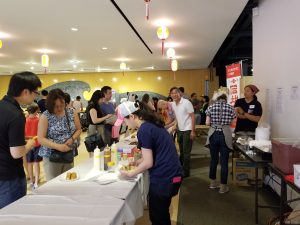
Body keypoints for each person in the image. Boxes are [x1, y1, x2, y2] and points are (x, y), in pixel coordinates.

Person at [118, 101, 182, 225]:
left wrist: (129, 173)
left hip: (165, 178)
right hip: (173, 174)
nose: (125, 124)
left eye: (125, 121)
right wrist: (138, 161)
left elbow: (148, 163)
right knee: (161, 213)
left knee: (158, 216)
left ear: (132, 116)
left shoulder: (144, 129)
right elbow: (154, 153)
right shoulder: (152, 124)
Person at [0, 71, 41, 208]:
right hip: (9, 176)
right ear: (25, 92)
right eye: (35, 92)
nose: (35, 96)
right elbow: (17, 153)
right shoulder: (16, 115)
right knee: (13, 214)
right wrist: (29, 143)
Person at [38, 89, 81, 181]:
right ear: (50, 105)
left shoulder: (71, 112)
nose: (59, 109)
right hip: (51, 155)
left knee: (69, 179)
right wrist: (58, 146)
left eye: (62, 105)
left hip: (68, 153)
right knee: (54, 183)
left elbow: (78, 130)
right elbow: (41, 139)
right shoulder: (45, 116)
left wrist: (72, 139)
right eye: (56, 106)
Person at [205, 91, 236, 194]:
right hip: (225, 135)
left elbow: (207, 122)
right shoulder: (231, 108)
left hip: (213, 134)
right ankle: (223, 187)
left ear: (217, 99)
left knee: (213, 160)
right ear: (226, 99)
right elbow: (233, 123)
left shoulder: (211, 107)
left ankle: (213, 183)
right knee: (224, 162)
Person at [170, 87, 195, 178]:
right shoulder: (173, 104)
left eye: (176, 93)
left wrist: (193, 131)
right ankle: (181, 168)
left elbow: (192, 117)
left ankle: (186, 172)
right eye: (172, 93)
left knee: (186, 151)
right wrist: (174, 125)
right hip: (179, 129)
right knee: (181, 151)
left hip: (187, 129)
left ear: (180, 93)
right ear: (170, 95)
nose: (174, 94)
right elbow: (177, 116)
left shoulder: (186, 102)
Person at [85, 90, 113, 157]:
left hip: (97, 128)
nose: (102, 101)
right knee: (95, 148)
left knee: (99, 147)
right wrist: (106, 117)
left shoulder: (95, 105)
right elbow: (95, 120)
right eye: (101, 99)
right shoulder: (92, 106)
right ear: (97, 98)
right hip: (94, 129)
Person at [25, 103, 42, 190]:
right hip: (37, 144)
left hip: (28, 144)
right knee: (36, 163)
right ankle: (36, 182)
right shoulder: (38, 120)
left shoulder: (25, 120)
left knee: (29, 163)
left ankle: (31, 181)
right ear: (36, 111)